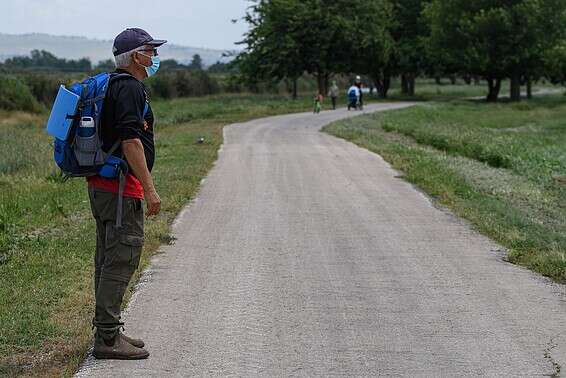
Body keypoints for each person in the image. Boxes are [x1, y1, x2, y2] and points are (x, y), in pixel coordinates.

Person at [87, 28, 166, 360]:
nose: (155, 57)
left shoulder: (112, 86)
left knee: (107, 258)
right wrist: (150, 190)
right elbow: (132, 141)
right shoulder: (130, 89)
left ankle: (110, 329)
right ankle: (107, 338)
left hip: (103, 185)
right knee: (121, 259)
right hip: (121, 187)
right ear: (136, 56)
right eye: (150, 50)